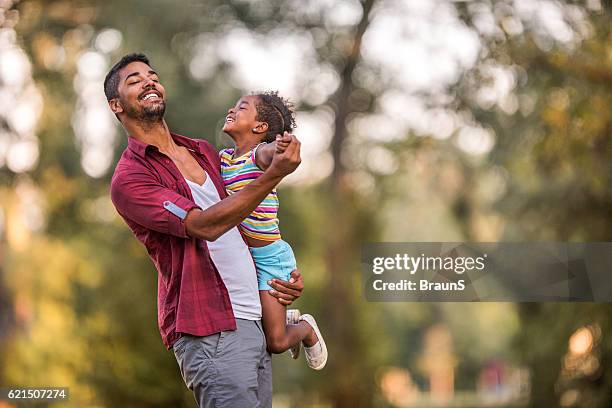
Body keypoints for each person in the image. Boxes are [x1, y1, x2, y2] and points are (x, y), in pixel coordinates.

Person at [105, 53, 303, 407]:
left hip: (253, 319)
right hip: (211, 329)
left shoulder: (204, 151)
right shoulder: (131, 178)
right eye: (134, 80)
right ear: (116, 105)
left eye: (153, 75)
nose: (149, 81)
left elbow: (246, 220)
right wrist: (275, 174)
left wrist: (279, 273)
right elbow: (205, 225)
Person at [219, 91, 327, 370]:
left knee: (276, 342)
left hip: (269, 258)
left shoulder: (258, 156)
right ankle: (285, 317)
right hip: (244, 259)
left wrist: (283, 145)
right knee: (261, 325)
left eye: (242, 107)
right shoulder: (223, 159)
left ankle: (304, 328)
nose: (232, 108)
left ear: (260, 128)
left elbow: (271, 153)